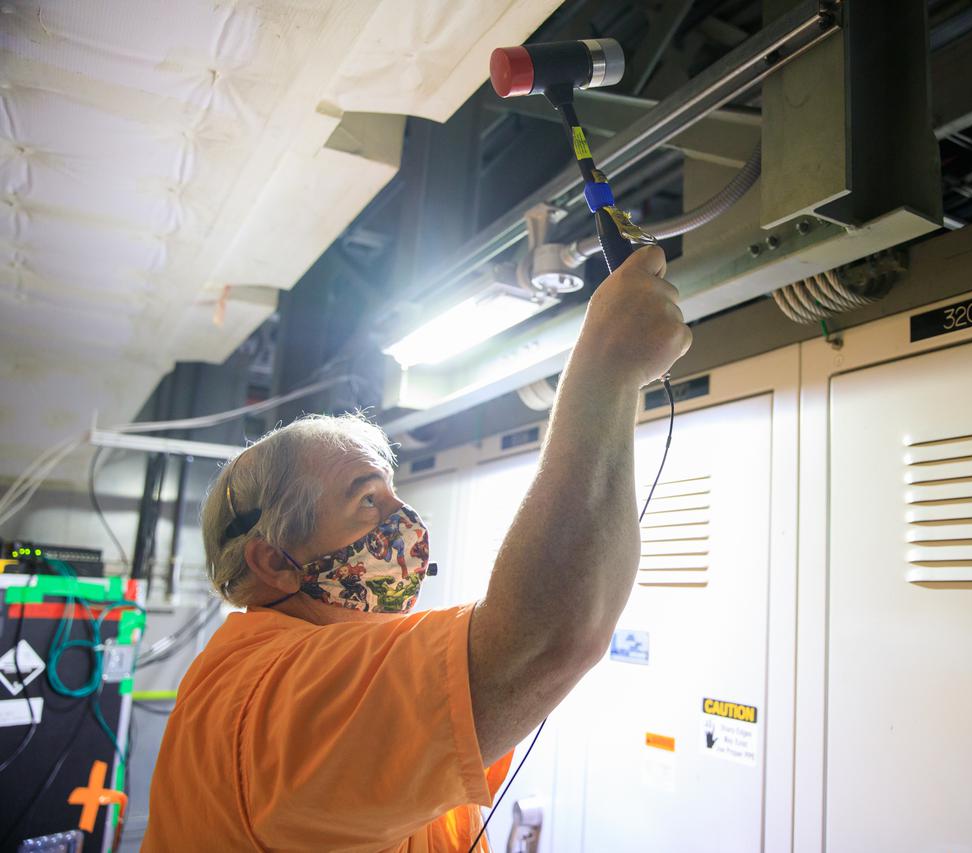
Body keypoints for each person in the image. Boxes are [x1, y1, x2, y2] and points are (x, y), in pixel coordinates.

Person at [142, 246, 691, 852]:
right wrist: (608, 363)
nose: (404, 520)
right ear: (274, 561)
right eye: (367, 500)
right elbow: (545, 638)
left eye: (394, 494)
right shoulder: (285, 697)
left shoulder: (287, 666)